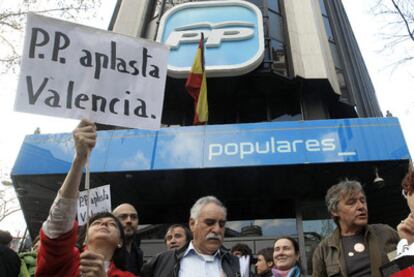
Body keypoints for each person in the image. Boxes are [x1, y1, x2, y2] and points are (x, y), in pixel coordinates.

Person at [35, 119, 136, 277]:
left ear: (120, 242)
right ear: (84, 239)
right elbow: (58, 224)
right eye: (96, 222)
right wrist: (79, 160)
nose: (104, 223)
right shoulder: (63, 259)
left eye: (112, 224)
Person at [312, 179, 409, 277]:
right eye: (351, 202)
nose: (361, 206)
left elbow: (405, 270)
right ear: (334, 211)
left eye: (363, 201)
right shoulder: (324, 250)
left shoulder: (386, 233)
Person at [142, 195, 241, 277]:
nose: (217, 230)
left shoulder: (236, 264)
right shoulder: (161, 261)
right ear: (192, 224)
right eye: (209, 222)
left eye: (222, 224)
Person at [113, 203, 144, 275]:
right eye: (123, 217)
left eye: (133, 217)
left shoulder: (138, 253)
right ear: (113, 222)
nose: (129, 221)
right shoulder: (107, 252)